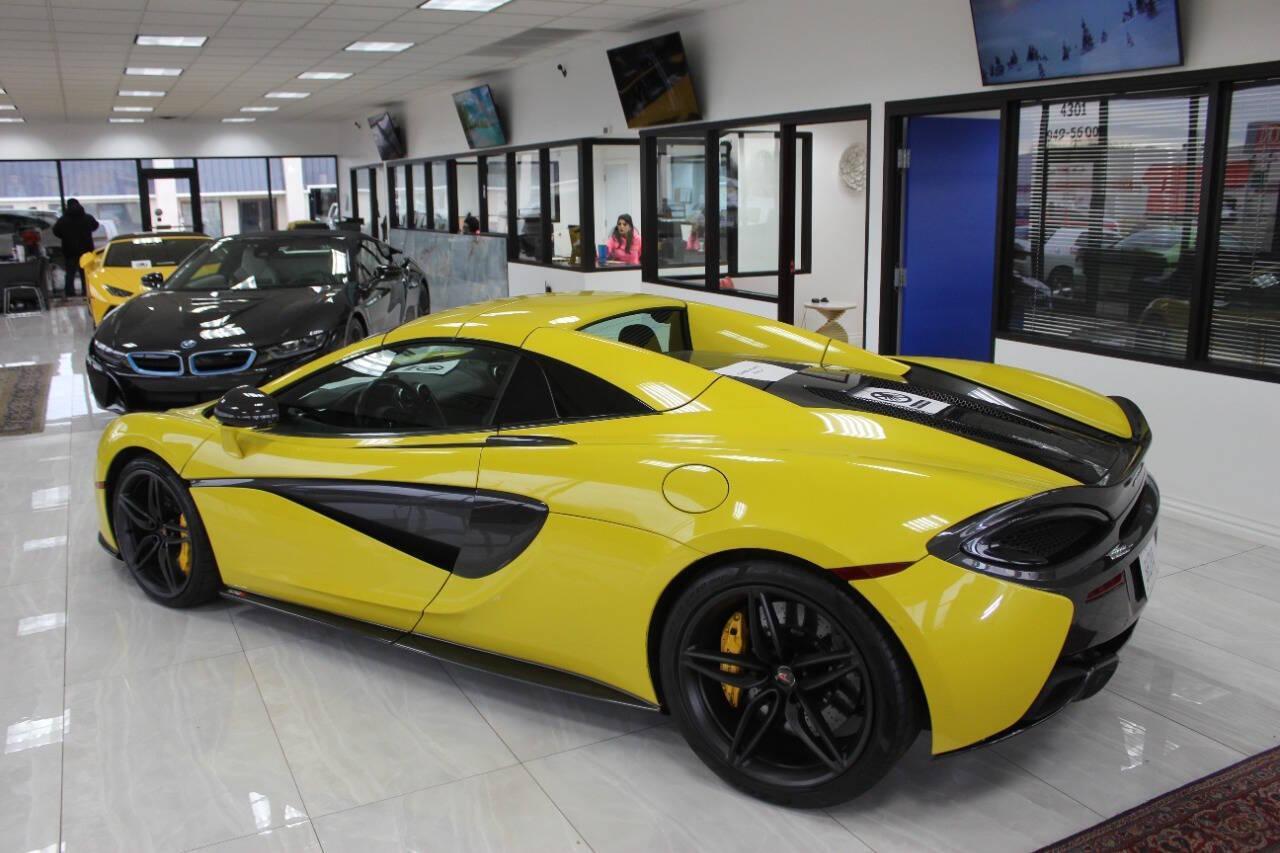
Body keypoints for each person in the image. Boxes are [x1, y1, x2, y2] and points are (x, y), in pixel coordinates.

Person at [52, 198, 99, 297]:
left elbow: (56, 231)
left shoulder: (63, 220)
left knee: (70, 273)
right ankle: (86, 291)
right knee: (85, 272)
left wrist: (65, 236)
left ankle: (70, 292)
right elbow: (95, 226)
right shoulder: (87, 218)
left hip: (69, 250)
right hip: (86, 250)